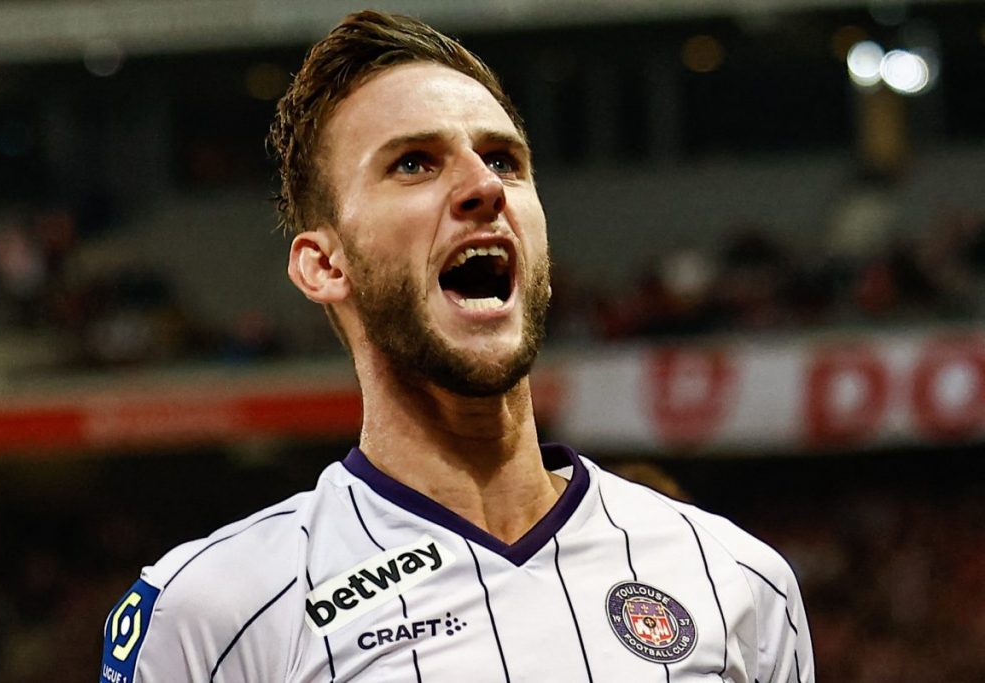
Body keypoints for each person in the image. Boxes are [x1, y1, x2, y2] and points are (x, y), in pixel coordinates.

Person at [100, 10, 815, 682]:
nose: (483, 186)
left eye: (504, 160)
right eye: (413, 163)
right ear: (324, 265)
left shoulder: (739, 582)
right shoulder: (212, 613)